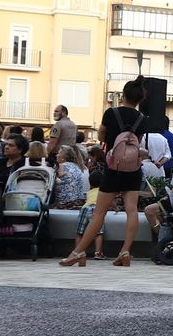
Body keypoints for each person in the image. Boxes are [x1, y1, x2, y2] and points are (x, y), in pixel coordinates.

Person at [61, 77, 149, 268]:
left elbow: (101, 136)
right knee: (131, 210)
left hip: (113, 167)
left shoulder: (111, 113)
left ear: (123, 95)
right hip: (133, 169)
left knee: (99, 212)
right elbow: (137, 142)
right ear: (140, 99)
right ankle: (125, 251)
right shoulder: (142, 119)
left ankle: (79, 251)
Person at [53, 144, 90, 210]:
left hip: (64, 205)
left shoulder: (61, 166)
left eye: (58, 153)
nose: (56, 155)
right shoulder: (81, 167)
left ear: (63, 157)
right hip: (80, 203)